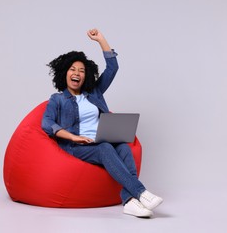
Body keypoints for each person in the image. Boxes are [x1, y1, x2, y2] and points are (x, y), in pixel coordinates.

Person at [41, 28, 163, 218]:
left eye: (81, 71)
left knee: (123, 147)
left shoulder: (94, 93)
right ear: (64, 74)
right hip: (76, 146)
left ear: (86, 76)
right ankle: (141, 192)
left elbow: (112, 68)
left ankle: (129, 201)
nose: (77, 73)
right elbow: (47, 123)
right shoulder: (57, 99)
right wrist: (73, 136)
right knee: (105, 147)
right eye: (72, 69)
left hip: (100, 139)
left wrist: (101, 40)